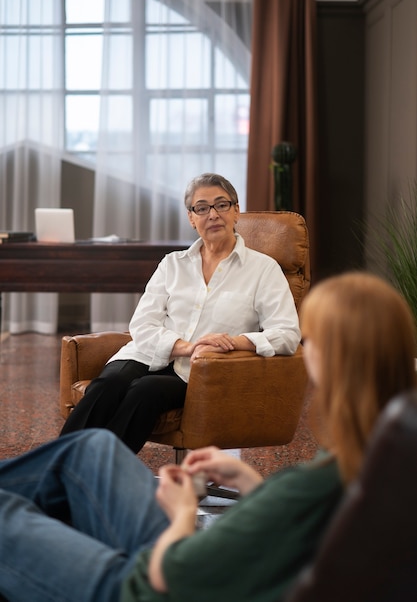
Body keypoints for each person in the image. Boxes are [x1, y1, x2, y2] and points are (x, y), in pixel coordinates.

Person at [0, 271, 416, 602]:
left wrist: (182, 511)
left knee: (7, 513)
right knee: (94, 447)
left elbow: (169, 574)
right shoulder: (378, 463)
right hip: (210, 569)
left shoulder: (314, 484)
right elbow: (300, 528)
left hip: (141, 586)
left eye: (315, 342)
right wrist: (253, 487)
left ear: (333, 361)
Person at [59, 172, 301, 452]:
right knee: (107, 386)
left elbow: (286, 334)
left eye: (221, 205)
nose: (212, 214)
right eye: (202, 208)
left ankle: (100, 476)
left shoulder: (264, 269)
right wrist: (185, 346)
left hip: (202, 370)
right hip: (149, 354)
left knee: (144, 392)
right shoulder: (172, 264)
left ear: (236, 212)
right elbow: (142, 324)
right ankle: (53, 467)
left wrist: (233, 343)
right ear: (191, 217)